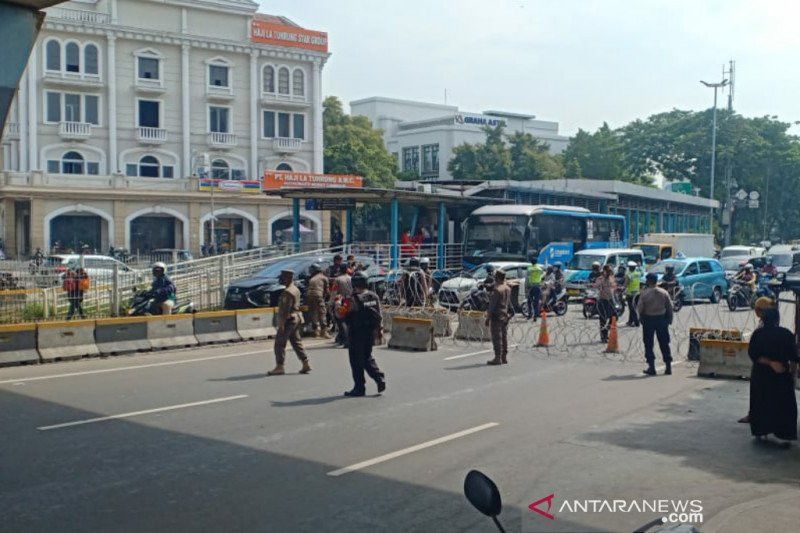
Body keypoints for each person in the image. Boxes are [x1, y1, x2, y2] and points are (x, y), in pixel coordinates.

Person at [742, 298, 798, 443]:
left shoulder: (758, 334)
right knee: (784, 405)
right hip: (781, 376)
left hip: (761, 376)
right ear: (777, 319)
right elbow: (793, 356)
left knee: (761, 403)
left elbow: (753, 354)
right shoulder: (786, 334)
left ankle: (761, 431)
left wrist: (769, 362)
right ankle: (785, 435)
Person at [338, 271, 386, 397]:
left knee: (355, 360)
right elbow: (379, 315)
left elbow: (341, 313)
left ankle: (359, 388)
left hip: (356, 332)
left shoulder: (352, 299)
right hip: (369, 332)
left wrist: (337, 304)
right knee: (366, 356)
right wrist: (379, 330)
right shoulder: (373, 296)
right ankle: (379, 377)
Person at [268, 269, 311, 376]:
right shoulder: (295, 289)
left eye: (282, 277)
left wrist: (281, 324)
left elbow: (285, 309)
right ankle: (305, 363)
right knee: (296, 342)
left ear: (287, 278)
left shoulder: (287, 292)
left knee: (279, 343)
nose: (280, 279)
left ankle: (280, 366)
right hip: (297, 318)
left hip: (289, 319)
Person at [637, 272, 674, 375]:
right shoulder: (663, 292)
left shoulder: (644, 293)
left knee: (648, 343)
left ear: (648, 281)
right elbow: (670, 307)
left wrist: (640, 318)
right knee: (664, 343)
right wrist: (669, 320)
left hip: (649, 319)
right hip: (661, 319)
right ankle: (668, 367)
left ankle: (652, 367)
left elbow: (639, 308)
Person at [486, 269, 512, 365]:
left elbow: (492, 306)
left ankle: (497, 358)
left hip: (496, 316)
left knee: (497, 338)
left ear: (496, 278)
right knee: (504, 337)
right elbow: (509, 304)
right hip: (505, 315)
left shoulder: (496, 290)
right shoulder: (507, 288)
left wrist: (488, 318)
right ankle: (504, 357)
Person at [593, 264, 617, 343]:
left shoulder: (611, 278)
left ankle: (607, 328)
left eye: (610, 271)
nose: (610, 272)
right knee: (603, 319)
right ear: (604, 271)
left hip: (610, 300)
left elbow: (614, 287)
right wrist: (600, 286)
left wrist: (617, 289)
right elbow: (596, 286)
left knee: (615, 316)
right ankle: (604, 337)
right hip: (603, 300)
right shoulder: (600, 279)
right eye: (608, 271)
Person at [306, 263, 330, 338]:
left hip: (309, 295)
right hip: (318, 295)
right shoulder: (324, 277)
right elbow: (327, 291)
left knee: (313, 313)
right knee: (322, 312)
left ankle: (316, 332)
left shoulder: (312, 278)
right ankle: (324, 332)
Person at [331, 265, 353, 347]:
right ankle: (342, 339)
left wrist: (330, 303)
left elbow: (334, 292)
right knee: (348, 321)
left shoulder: (338, 279)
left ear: (340, 270)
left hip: (342, 301)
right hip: (351, 301)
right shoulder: (351, 278)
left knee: (341, 320)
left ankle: (345, 341)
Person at [625, 261, 641, 327]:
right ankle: (630, 321)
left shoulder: (628, 275)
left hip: (630, 294)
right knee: (634, 307)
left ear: (629, 267)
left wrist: (623, 288)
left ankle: (636, 322)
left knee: (632, 308)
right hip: (637, 292)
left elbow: (626, 283)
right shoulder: (638, 273)